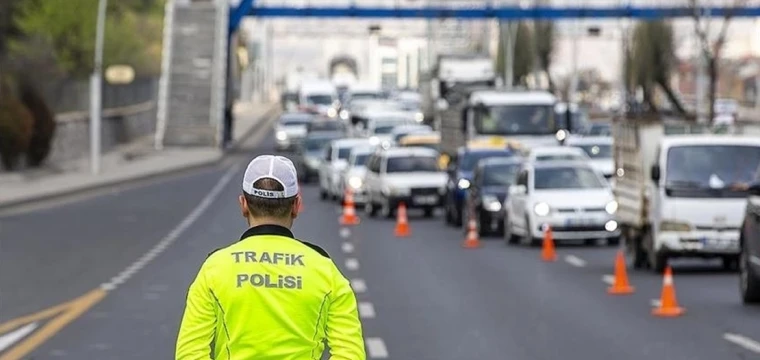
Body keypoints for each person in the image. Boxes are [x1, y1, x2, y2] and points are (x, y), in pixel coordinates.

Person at [176, 155, 366, 359]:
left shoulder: (214, 268)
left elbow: (190, 353)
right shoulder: (325, 269)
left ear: (243, 205)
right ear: (296, 206)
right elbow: (350, 354)